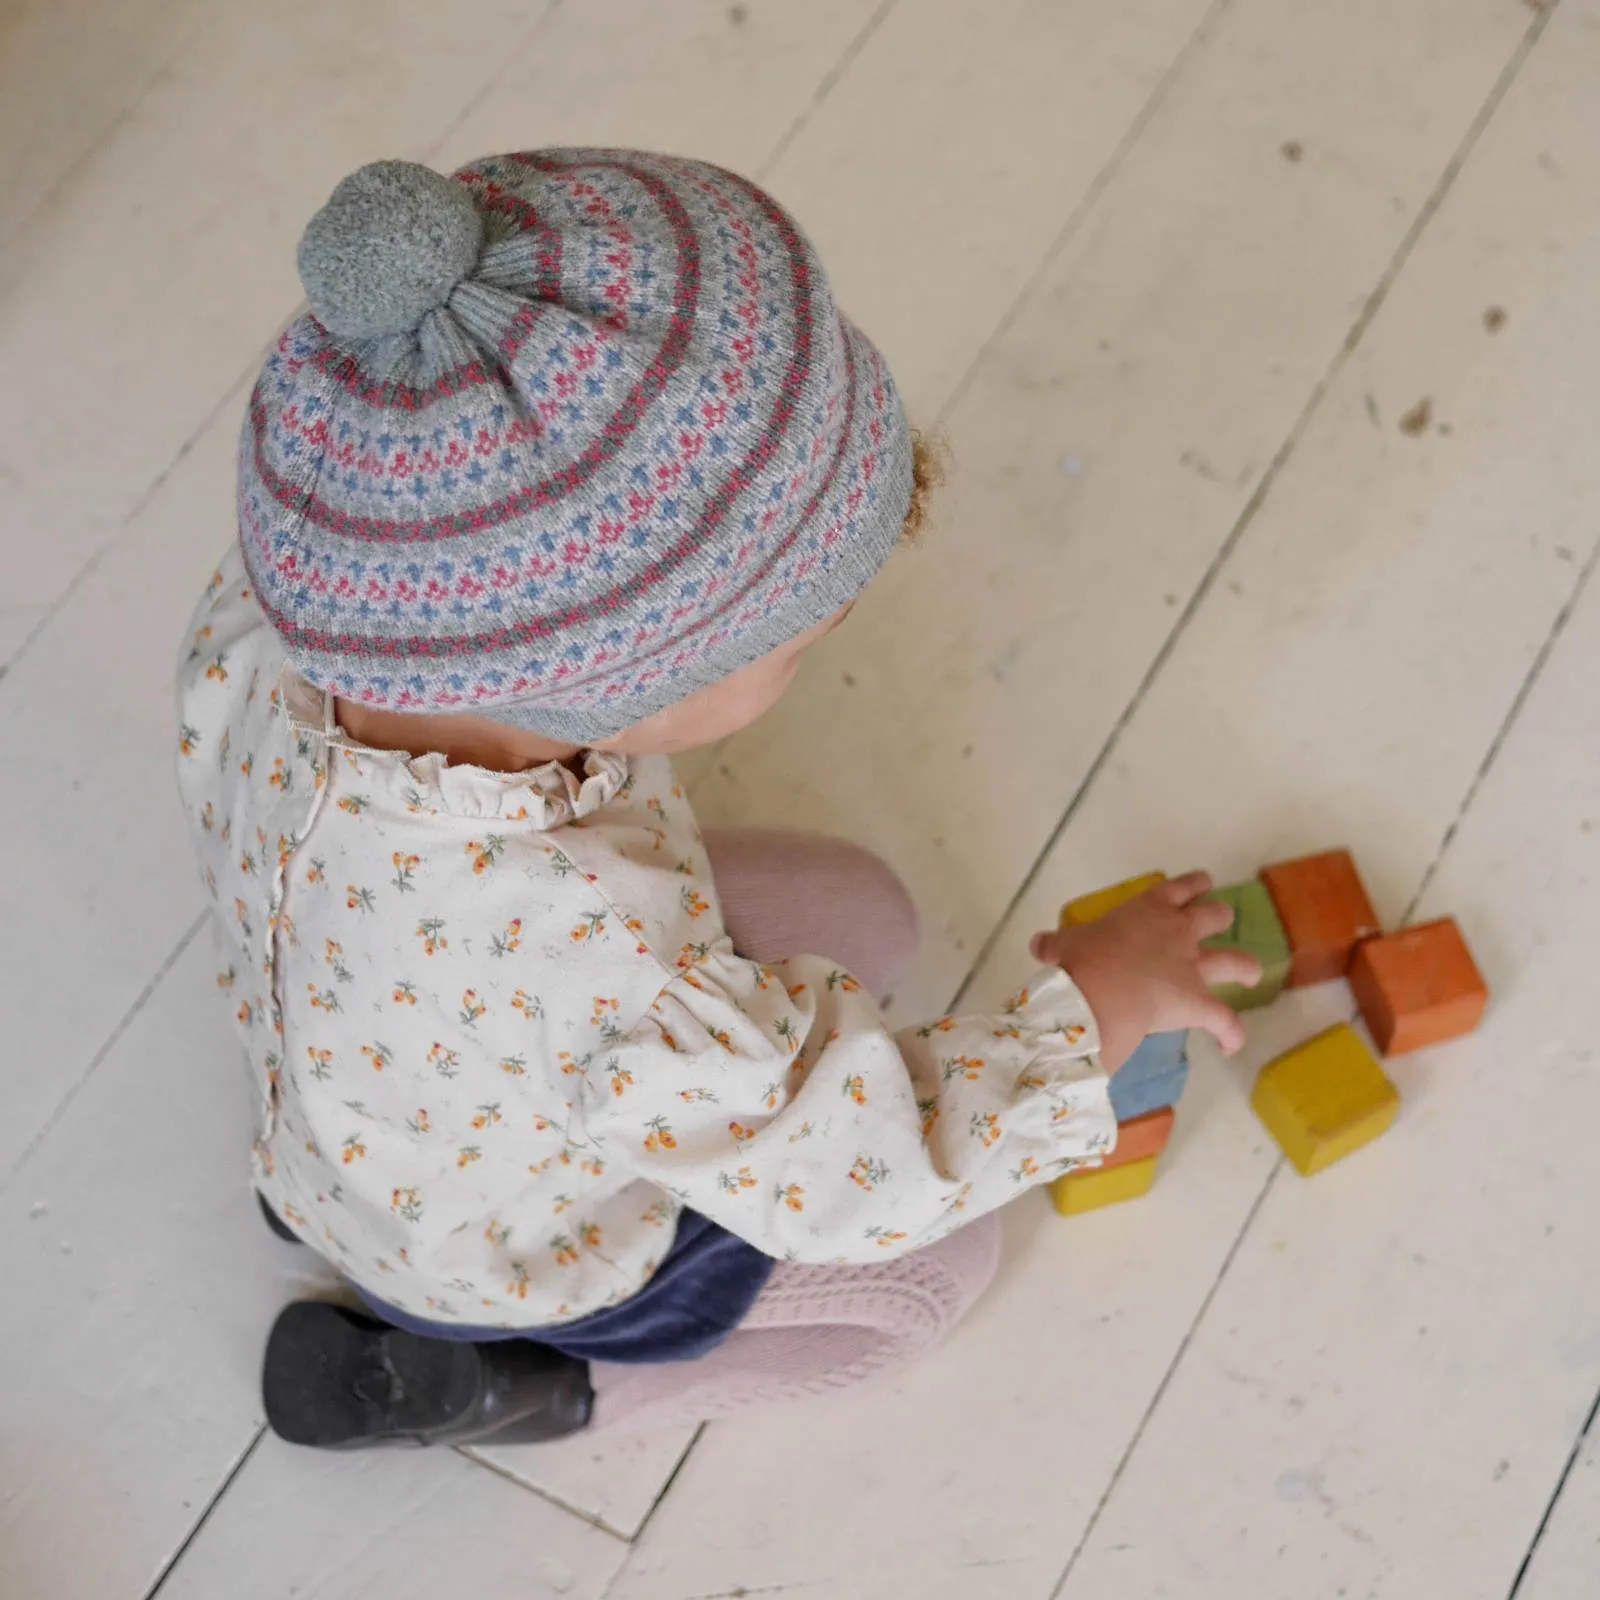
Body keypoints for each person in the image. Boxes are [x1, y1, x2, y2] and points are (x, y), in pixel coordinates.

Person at [176, 151, 1260, 1449]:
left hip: (378, 1087)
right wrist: (1093, 1018)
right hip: (509, 1256)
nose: (816, 652)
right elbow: (876, 1170)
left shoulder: (289, 619)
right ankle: (514, 1388)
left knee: (865, 910)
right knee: (928, 1285)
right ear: (610, 693)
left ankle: (359, 1230)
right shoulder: (608, 971)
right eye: (792, 644)